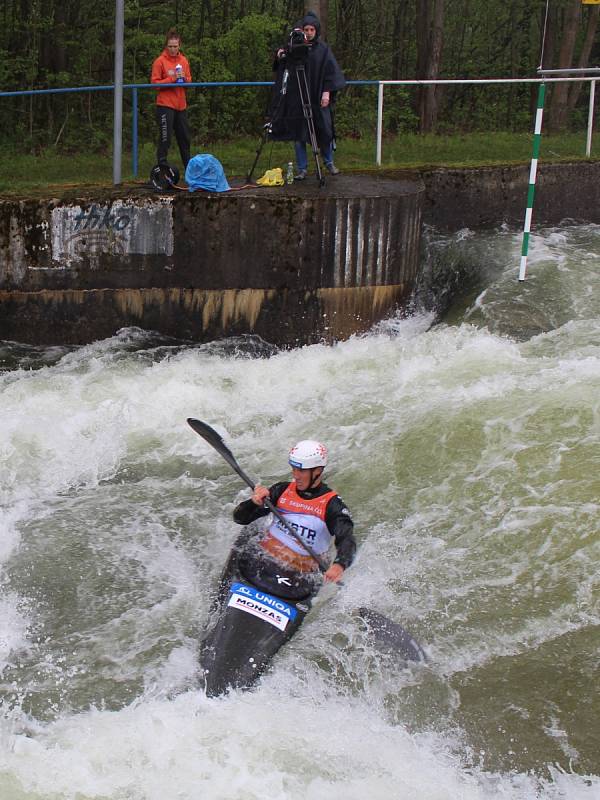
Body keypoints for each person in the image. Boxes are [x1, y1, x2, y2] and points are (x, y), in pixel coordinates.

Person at [232, 440, 356, 592]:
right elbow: (240, 518)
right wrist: (254, 502)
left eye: (301, 471)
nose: (295, 475)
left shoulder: (332, 506)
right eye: (294, 468)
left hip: (299, 580)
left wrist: (339, 565)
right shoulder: (281, 490)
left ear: (317, 471)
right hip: (261, 564)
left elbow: (347, 538)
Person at [269, 11, 346, 179]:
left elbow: (331, 73)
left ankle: (328, 162)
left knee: (324, 130)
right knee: (299, 134)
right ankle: (302, 168)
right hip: (299, 99)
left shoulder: (323, 50)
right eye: (306, 29)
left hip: (317, 98)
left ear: (316, 31)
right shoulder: (294, 47)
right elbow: (282, 61)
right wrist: (280, 54)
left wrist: (327, 93)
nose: (309, 33)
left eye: (312, 29)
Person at [150, 29, 192, 171]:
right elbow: (155, 83)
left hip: (181, 106)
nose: (173, 49)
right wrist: (172, 79)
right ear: (166, 46)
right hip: (165, 105)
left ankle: (189, 169)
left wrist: (185, 80)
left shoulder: (184, 60)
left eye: (175, 46)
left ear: (179, 46)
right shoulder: (159, 62)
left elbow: (189, 81)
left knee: (185, 138)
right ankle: (161, 167)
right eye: (170, 46)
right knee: (165, 138)